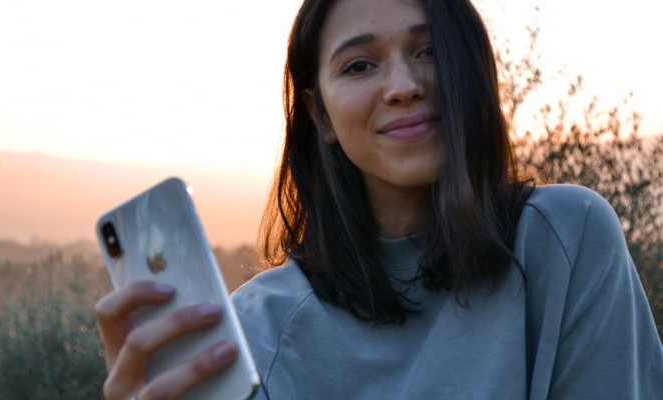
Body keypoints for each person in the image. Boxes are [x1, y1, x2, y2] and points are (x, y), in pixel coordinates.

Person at [94, 0, 663, 398]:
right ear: (320, 115)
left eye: (430, 50)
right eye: (359, 65)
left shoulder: (565, 240)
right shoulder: (255, 333)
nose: (403, 87)